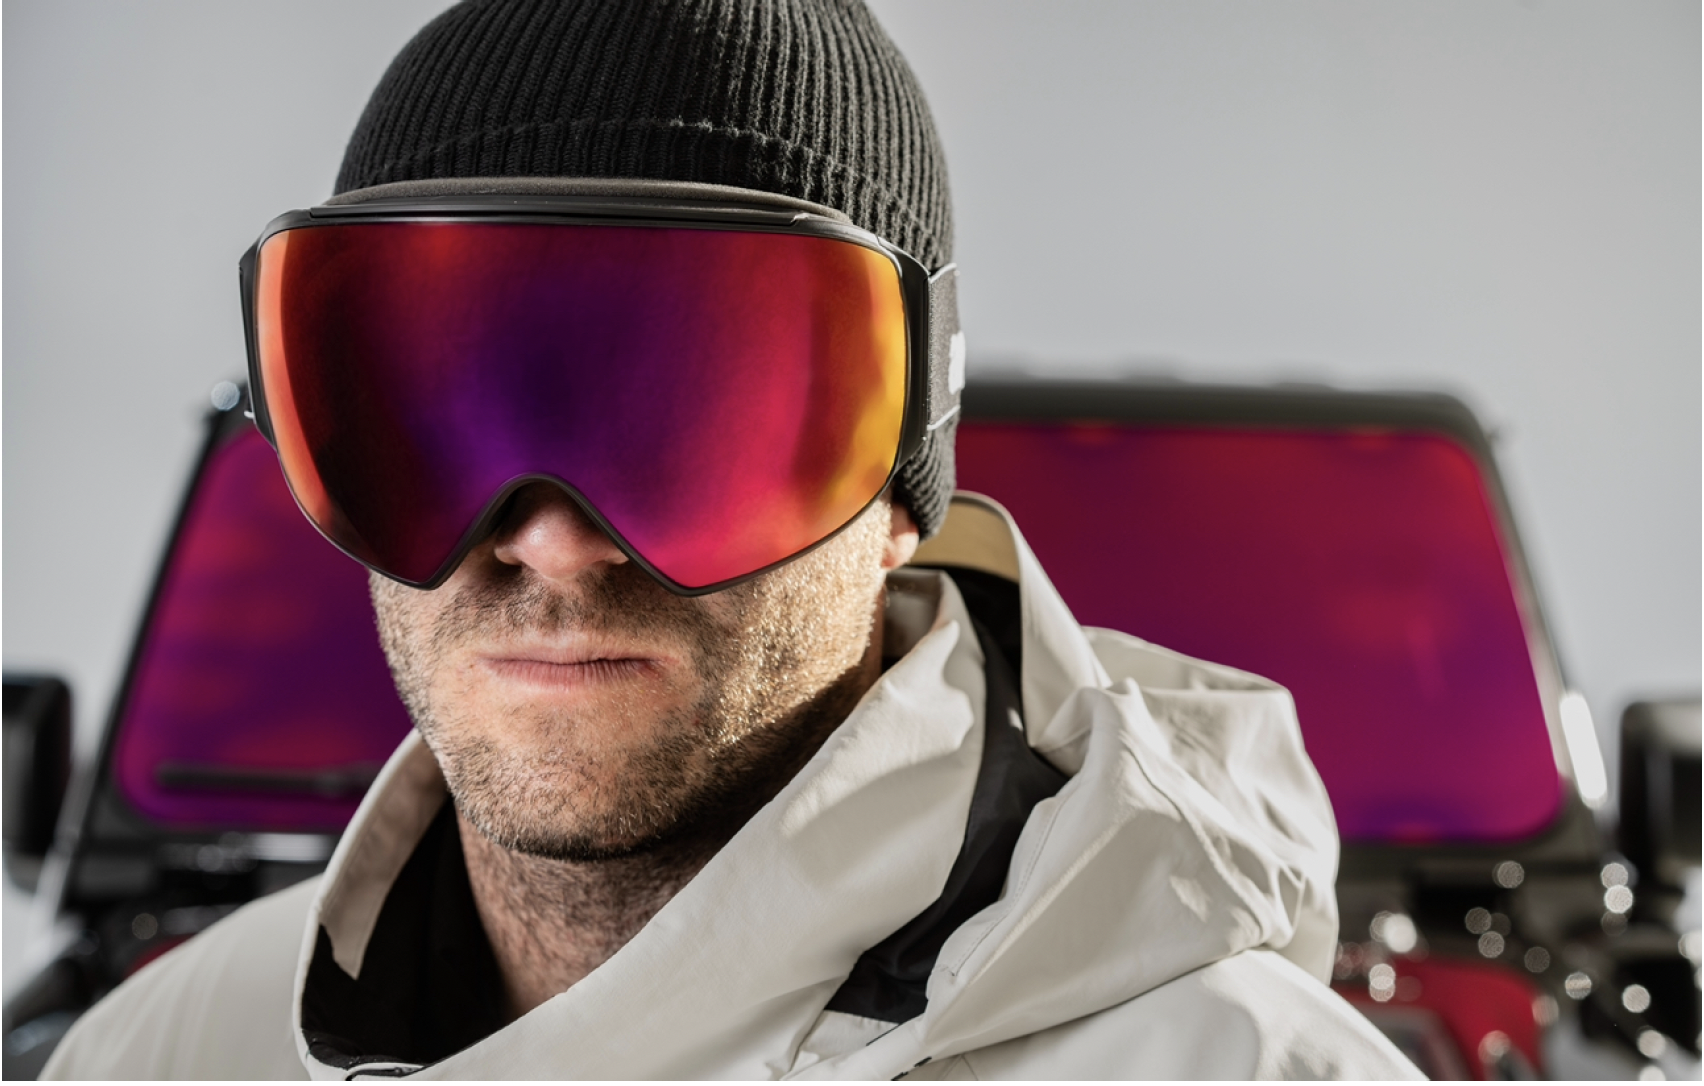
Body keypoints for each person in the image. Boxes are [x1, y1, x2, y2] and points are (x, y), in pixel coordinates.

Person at [44, 0, 1420, 1078]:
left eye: (697, 421)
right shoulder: (162, 1057)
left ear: (900, 484)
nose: (552, 544)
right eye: (441, 413)